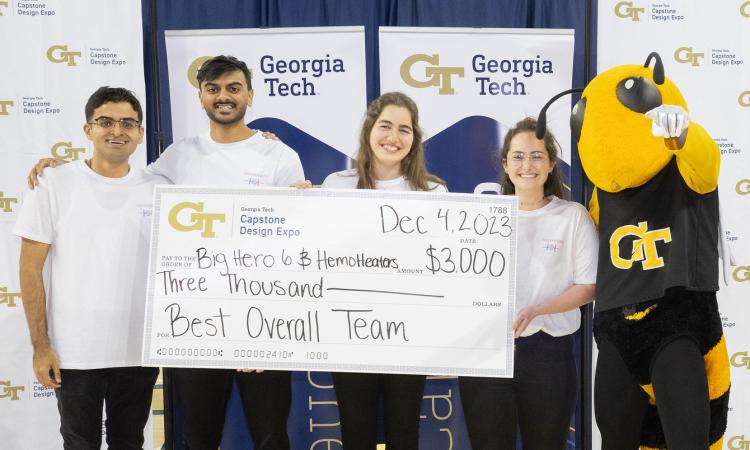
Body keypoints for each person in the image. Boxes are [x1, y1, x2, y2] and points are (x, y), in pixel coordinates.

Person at [28, 55, 306, 450]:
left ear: (250, 95)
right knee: (196, 437)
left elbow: (296, 240)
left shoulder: (281, 157)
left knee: (271, 436)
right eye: (213, 89)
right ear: (201, 97)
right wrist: (64, 168)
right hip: (196, 320)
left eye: (233, 88)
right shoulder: (180, 155)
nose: (223, 97)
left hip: (262, 321)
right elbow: (118, 179)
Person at [14, 87, 162, 449]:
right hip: (74, 351)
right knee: (80, 444)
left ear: (141, 133)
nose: (117, 130)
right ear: (87, 129)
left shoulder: (160, 188)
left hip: (139, 350)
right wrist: (41, 344)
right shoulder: (53, 183)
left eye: (128, 122)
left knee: (129, 442)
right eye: (105, 121)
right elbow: (30, 270)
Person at [459, 117, 598, 450]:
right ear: (505, 164)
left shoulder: (572, 216)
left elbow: (588, 286)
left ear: (551, 163)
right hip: (486, 353)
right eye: (518, 156)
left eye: (537, 156)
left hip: (548, 355)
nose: (527, 165)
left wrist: (538, 310)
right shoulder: (479, 217)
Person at [320, 92, 446, 449]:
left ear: (414, 139)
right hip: (349, 332)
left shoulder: (434, 192)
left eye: (404, 129)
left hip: (410, 335)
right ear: (369, 130)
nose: (393, 137)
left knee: (403, 434)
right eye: (386, 126)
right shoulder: (336, 185)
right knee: (356, 432)